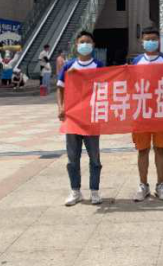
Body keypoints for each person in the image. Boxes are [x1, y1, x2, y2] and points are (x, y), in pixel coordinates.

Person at [57, 31, 106, 207]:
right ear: (76, 45)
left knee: (94, 158)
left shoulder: (98, 65)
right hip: (73, 118)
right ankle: (75, 191)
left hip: (92, 118)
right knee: (72, 158)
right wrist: (61, 107)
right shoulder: (69, 66)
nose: (85, 45)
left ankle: (94, 191)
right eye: (82, 42)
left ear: (93, 45)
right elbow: (60, 88)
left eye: (88, 42)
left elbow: (107, 86)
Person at [131, 27, 163, 202]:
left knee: (160, 149)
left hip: (161, 111)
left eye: (154, 39)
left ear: (159, 40)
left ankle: (160, 185)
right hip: (141, 111)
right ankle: (143, 185)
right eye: (147, 39)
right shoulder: (136, 61)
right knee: (142, 150)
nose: (150, 42)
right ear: (142, 41)